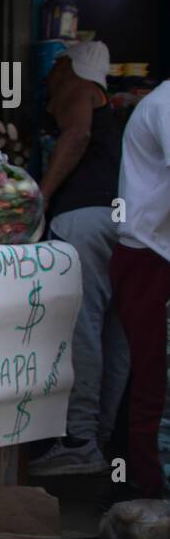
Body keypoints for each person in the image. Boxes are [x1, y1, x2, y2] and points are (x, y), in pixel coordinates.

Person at [31, 42, 126, 476]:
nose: (50, 76)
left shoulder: (79, 89)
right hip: (122, 224)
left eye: (56, 67)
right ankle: (101, 437)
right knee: (113, 334)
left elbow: (78, 133)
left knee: (80, 330)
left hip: (83, 222)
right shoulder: (108, 105)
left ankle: (78, 440)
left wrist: (42, 197)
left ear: (69, 66)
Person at [110, 79, 170, 498]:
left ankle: (132, 476)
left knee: (150, 374)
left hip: (154, 253)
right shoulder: (166, 105)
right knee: (156, 379)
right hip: (150, 254)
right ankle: (149, 490)